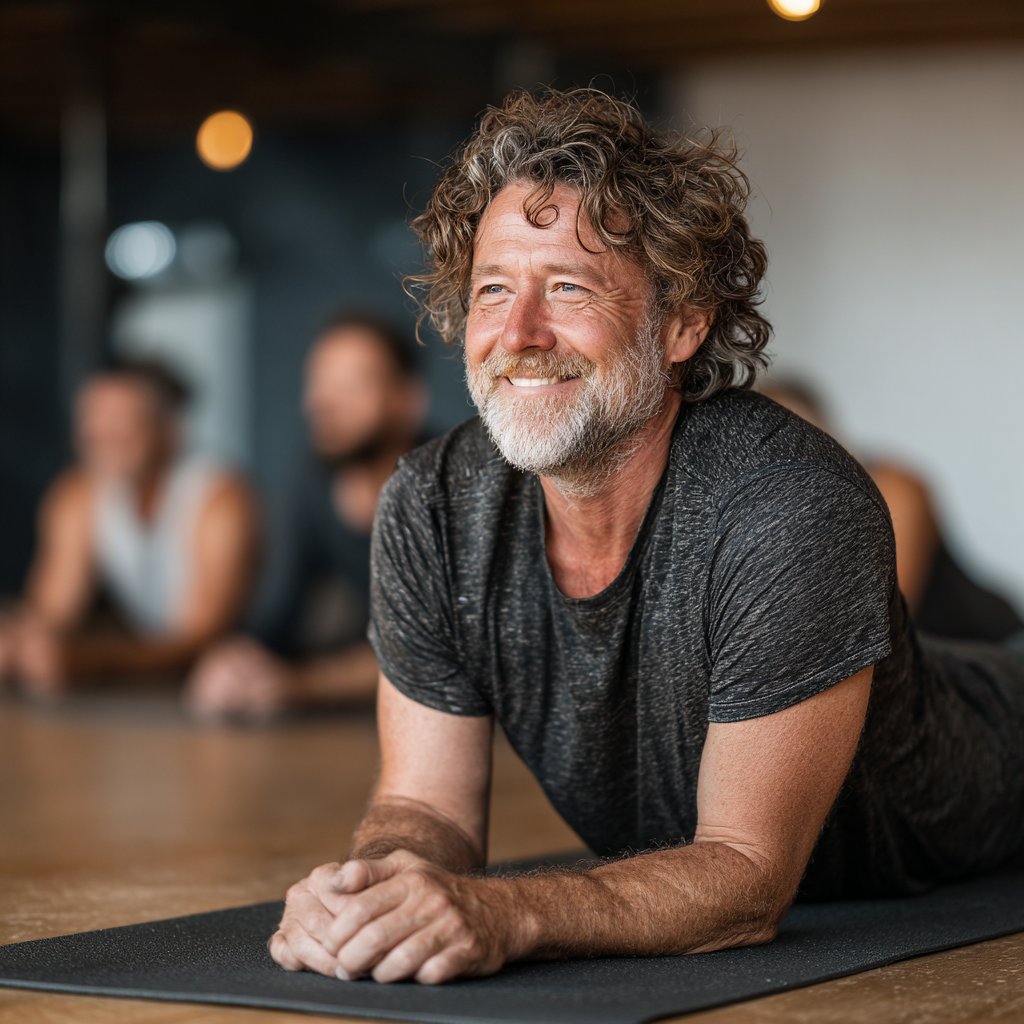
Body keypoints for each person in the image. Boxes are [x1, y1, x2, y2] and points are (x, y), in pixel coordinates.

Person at [269, 89, 1024, 986]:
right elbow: (421, 801)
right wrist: (380, 882)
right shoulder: (432, 506)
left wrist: (504, 910)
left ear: (682, 323)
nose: (519, 335)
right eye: (495, 290)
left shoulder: (790, 504)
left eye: (570, 289)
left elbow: (744, 877)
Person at [184, 314, 427, 720]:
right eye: (317, 383)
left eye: (350, 385)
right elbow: (278, 611)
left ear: (407, 400)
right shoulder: (312, 477)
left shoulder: (447, 486)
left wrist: (300, 685)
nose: (320, 402)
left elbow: (431, 652)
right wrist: (234, 663)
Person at [0, 360, 258, 696]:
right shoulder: (78, 495)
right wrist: (19, 643)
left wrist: (88, 662)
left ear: (169, 430)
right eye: (92, 421)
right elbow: (51, 613)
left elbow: (200, 641)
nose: (100, 436)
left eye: (121, 421)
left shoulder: (221, 500)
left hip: (261, 671)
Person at [759, 379, 1023, 642]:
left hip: (995, 650)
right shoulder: (783, 521)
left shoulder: (894, 486)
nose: (786, 463)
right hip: (923, 667)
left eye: (795, 440)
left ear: (829, 434)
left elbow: (882, 619)